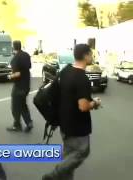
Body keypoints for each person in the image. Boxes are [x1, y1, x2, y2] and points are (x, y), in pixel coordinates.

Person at [42, 44, 102, 180]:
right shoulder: (82, 78)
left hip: (64, 122)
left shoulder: (66, 70)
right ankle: (54, 175)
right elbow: (83, 106)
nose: (92, 57)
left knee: (69, 157)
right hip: (77, 125)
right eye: (91, 54)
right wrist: (95, 103)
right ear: (85, 56)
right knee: (82, 152)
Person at [6, 40, 33, 133]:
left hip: (19, 86)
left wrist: (10, 76)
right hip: (26, 85)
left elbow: (17, 73)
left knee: (15, 107)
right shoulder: (26, 55)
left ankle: (17, 125)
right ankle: (29, 122)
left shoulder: (15, 58)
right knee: (22, 105)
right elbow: (29, 67)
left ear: (13, 47)